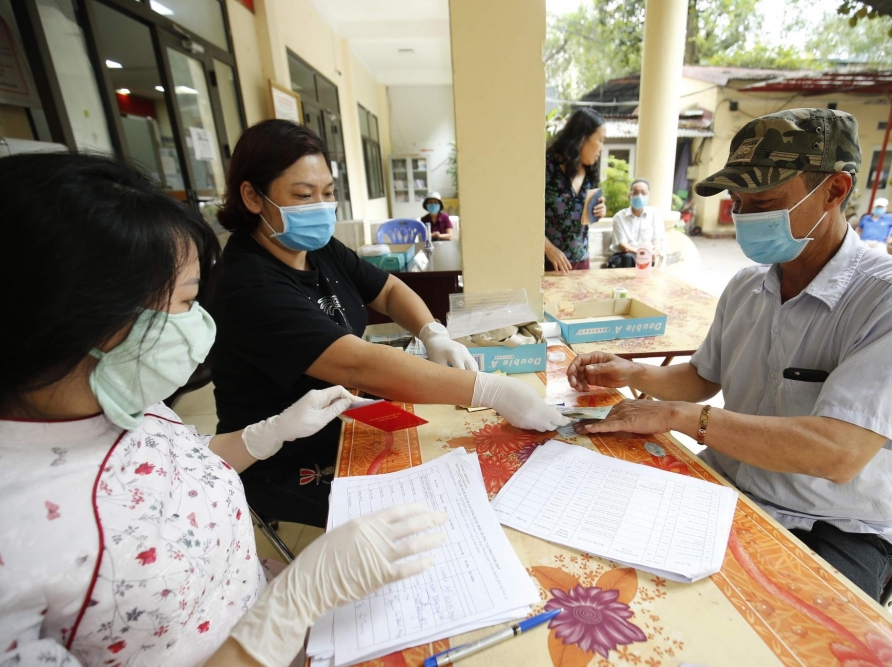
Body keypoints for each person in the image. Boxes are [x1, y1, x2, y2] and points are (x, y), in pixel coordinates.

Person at [0, 152, 448, 667]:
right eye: (188, 301)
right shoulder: (15, 541)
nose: (198, 322)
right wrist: (288, 608)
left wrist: (267, 433)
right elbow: (362, 365)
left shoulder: (120, 398)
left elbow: (165, 472)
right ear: (74, 318)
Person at [565, 109, 892, 601]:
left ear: (834, 190)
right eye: (738, 201)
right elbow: (704, 377)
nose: (745, 216)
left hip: (832, 525)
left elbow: (837, 453)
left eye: (764, 201)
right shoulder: (749, 284)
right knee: (604, 570)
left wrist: (677, 416)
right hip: (725, 485)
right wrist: (629, 372)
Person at [209, 120, 567, 528]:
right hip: (286, 455)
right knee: (443, 512)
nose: (321, 207)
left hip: (346, 419)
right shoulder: (249, 284)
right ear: (252, 196)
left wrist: (432, 331)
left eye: (328, 193)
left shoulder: (318, 248)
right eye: (303, 196)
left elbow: (389, 290)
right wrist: (491, 389)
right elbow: (357, 363)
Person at [544, 107, 607, 273]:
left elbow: (586, 218)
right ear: (582, 139)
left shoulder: (591, 173)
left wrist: (599, 211)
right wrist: (548, 249)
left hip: (582, 262)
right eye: (600, 140)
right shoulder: (547, 167)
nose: (602, 148)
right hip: (548, 263)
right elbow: (526, 215)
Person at [606, 178, 664, 268]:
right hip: (623, 257)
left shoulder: (655, 214)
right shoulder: (619, 217)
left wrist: (656, 248)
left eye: (643, 193)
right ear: (629, 196)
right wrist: (643, 253)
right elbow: (623, 246)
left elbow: (657, 239)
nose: (639, 196)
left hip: (646, 257)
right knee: (628, 258)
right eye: (635, 193)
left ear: (648, 195)